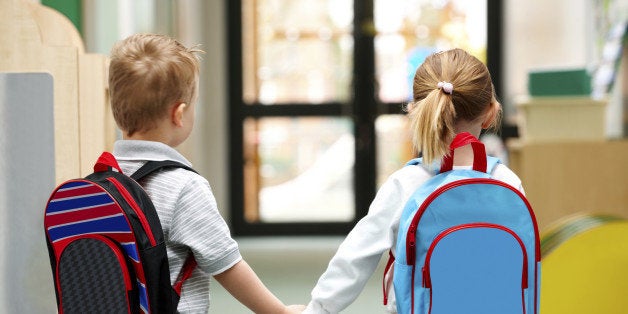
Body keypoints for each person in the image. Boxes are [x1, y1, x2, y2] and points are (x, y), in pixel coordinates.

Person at [302, 48, 525, 314]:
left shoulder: (405, 184)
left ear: (414, 111)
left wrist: (316, 309)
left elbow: (356, 257)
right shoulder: (508, 182)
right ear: (490, 112)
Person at [108, 33, 304, 314]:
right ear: (179, 114)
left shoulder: (106, 178)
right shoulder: (183, 186)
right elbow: (225, 262)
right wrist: (279, 311)